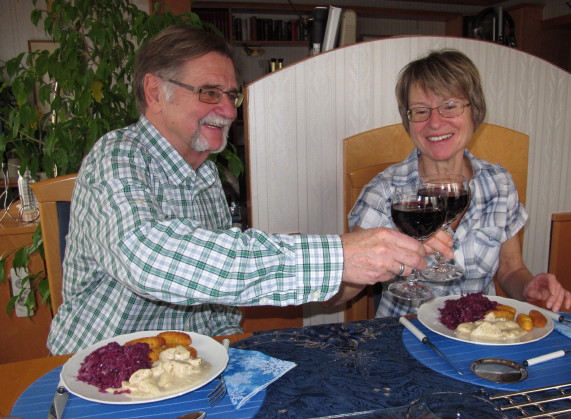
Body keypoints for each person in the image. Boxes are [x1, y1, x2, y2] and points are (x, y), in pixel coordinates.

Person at [48, 25, 429, 355]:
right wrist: (337, 255)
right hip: (97, 371)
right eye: (210, 92)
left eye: (232, 95)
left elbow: (217, 285)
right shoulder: (115, 156)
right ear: (154, 91)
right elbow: (146, 256)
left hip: (190, 365)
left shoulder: (206, 173)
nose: (229, 112)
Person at [344, 49, 571, 318]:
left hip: (480, 333)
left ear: (474, 111)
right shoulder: (385, 192)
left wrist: (528, 288)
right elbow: (337, 296)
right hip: (405, 334)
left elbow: (511, 270)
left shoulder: (499, 182)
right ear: (408, 121)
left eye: (450, 106)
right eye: (421, 111)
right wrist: (376, 261)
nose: (436, 122)